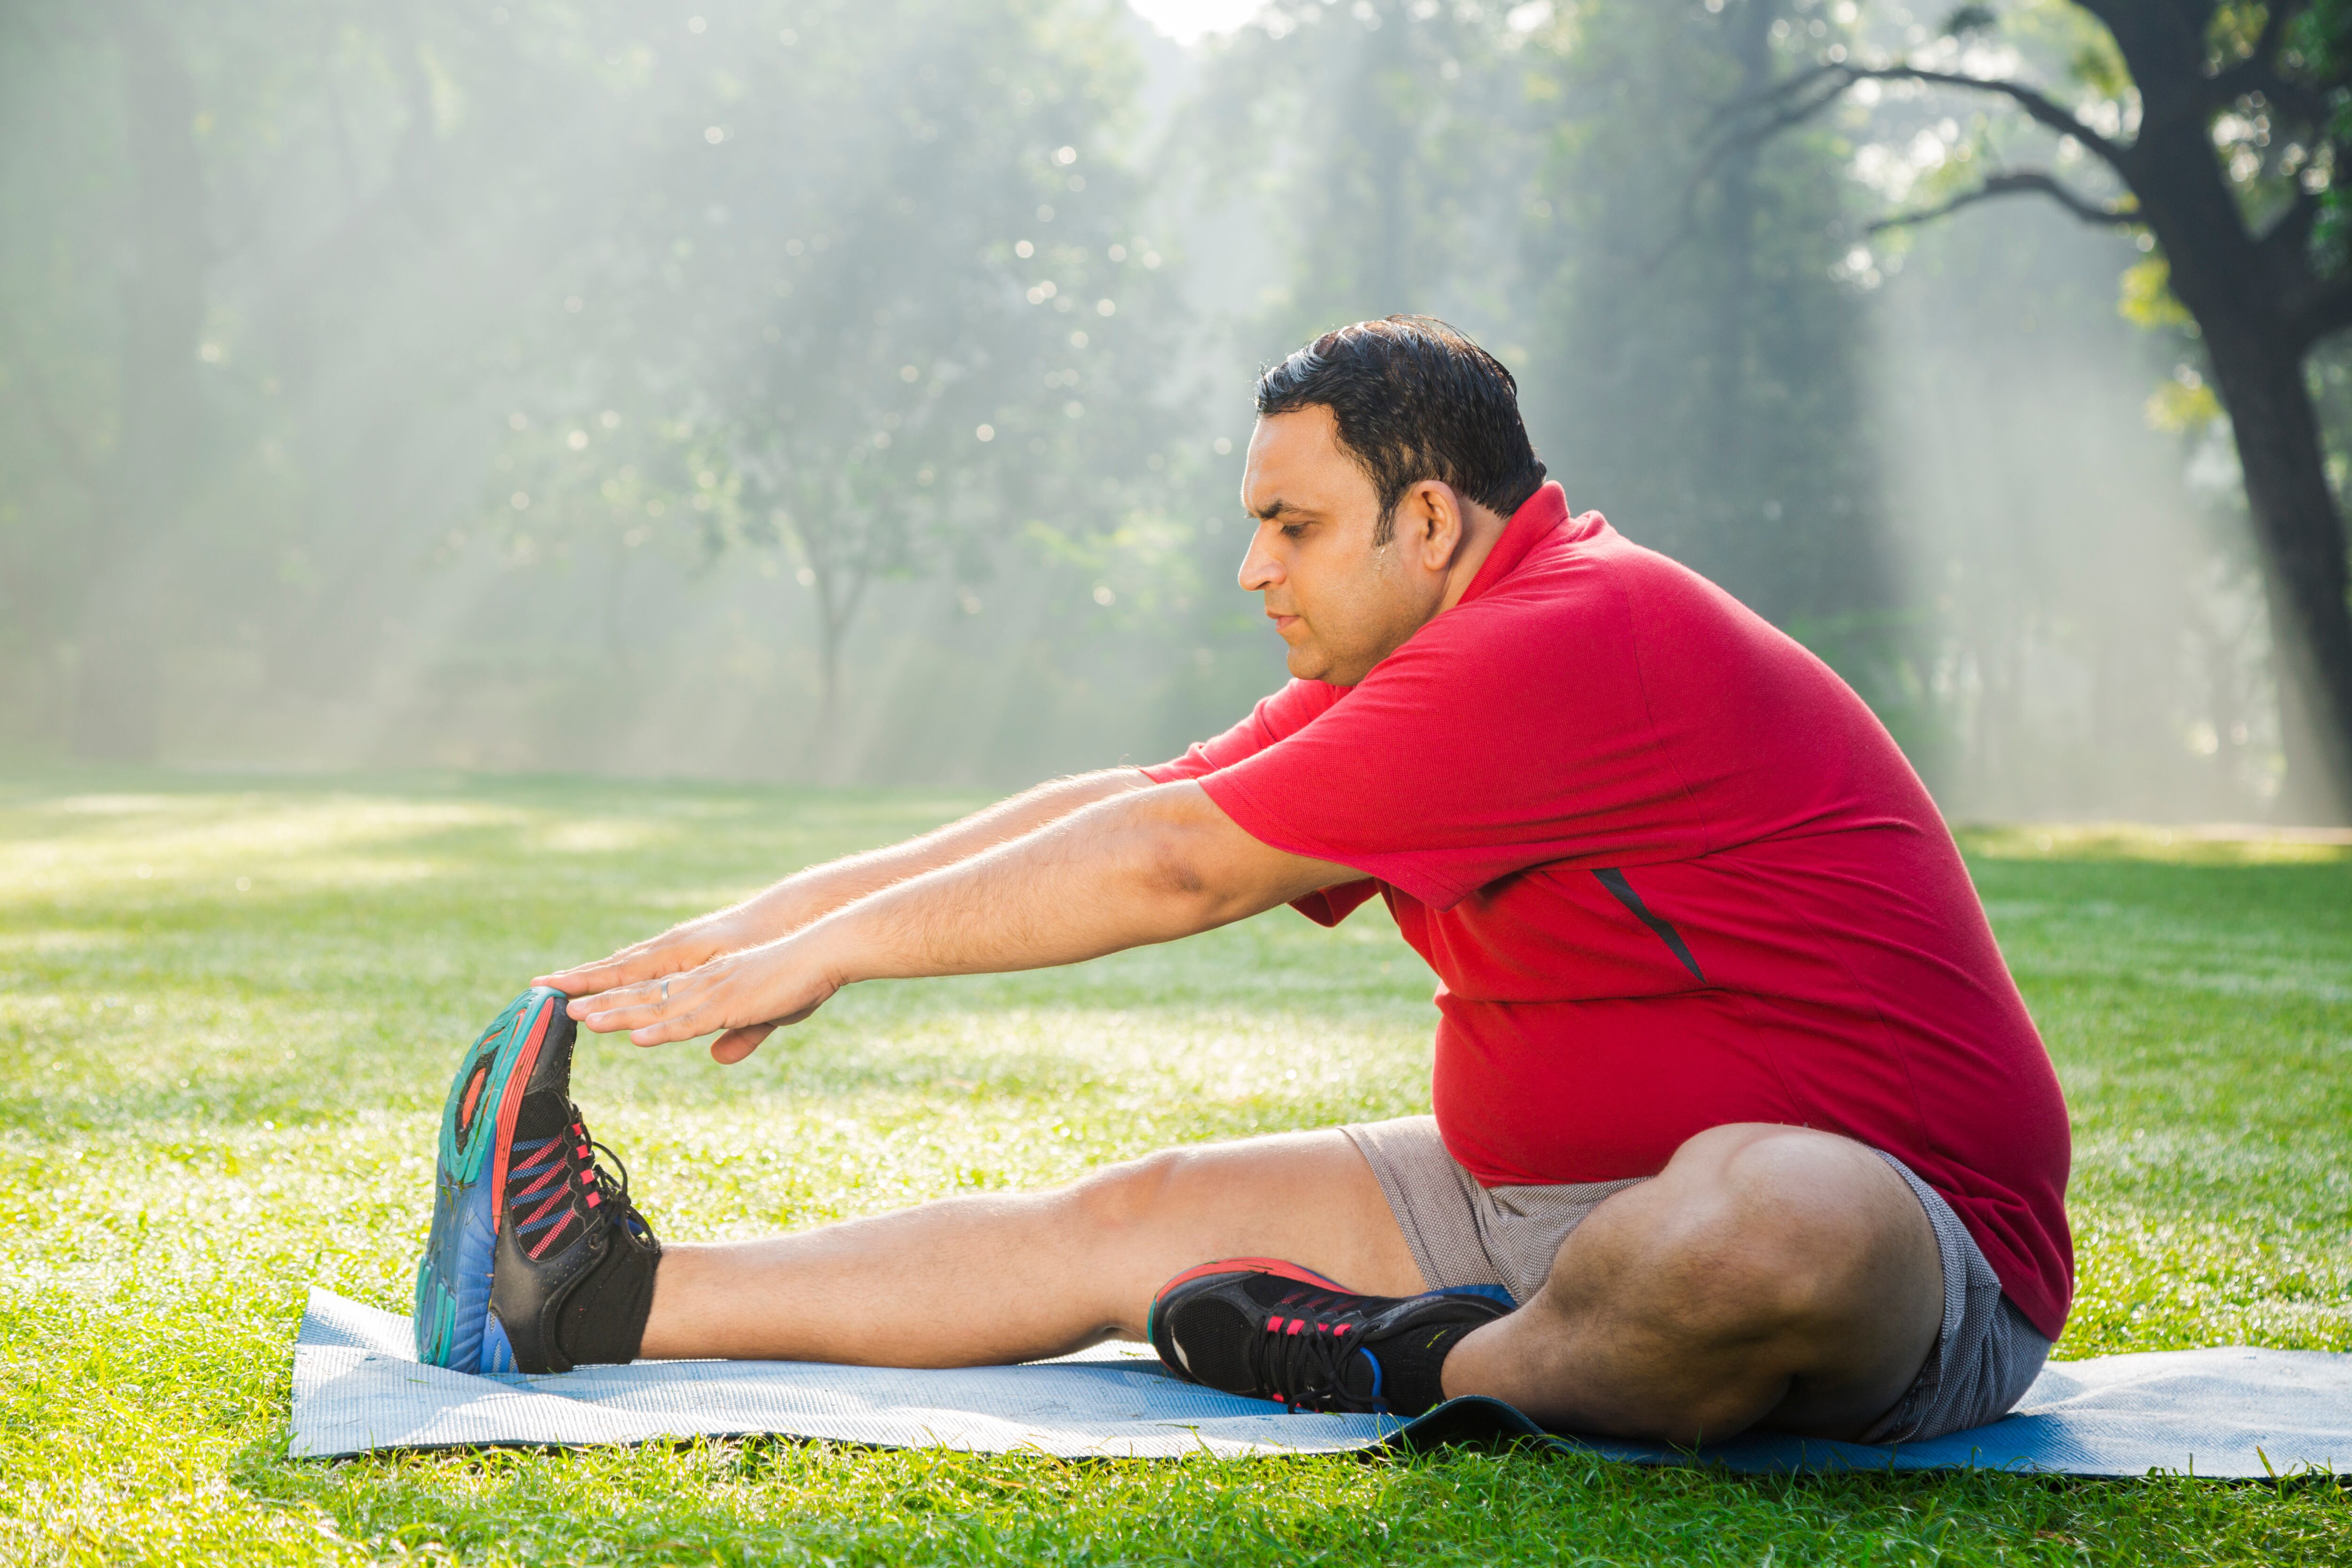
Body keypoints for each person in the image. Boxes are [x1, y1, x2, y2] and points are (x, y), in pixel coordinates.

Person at [411, 316, 2072, 1445]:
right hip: (1553, 1201)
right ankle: (589, 1305)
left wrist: (836, 961)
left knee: (1756, 1226)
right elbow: (1149, 795)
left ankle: (1415, 1360)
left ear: (1427, 517)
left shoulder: (1582, 640)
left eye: (1291, 523)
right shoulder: (1440, 646)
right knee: (1133, 1217)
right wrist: (767, 927)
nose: (1252, 566)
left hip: (1915, 1248)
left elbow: (1179, 868)